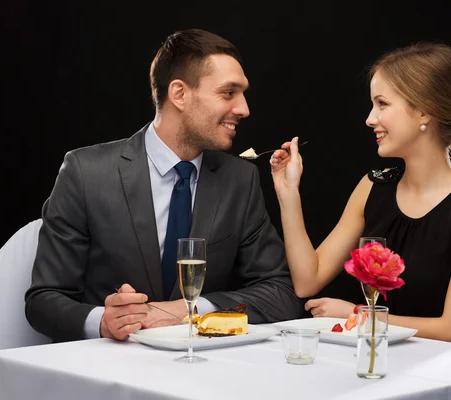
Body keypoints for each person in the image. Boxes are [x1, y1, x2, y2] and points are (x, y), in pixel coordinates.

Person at [25, 28, 303, 343]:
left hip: (202, 373)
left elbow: (280, 292)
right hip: (106, 371)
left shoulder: (240, 179)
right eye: (229, 93)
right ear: (179, 94)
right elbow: (43, 300)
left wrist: (189, 311)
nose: (244, 109)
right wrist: (103, 321)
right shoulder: (85, 172)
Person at [270, 42, 451, 345]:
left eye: (382, 104)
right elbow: (307, 281)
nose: (369, 118)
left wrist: (358, 314)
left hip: (443, 372)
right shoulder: (373, 186)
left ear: (424, 110)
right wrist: (289, 195)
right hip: (375, 360)